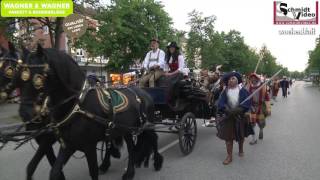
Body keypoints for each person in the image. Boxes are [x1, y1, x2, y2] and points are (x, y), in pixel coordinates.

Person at [216, 72, 252, 165]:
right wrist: (226, 109)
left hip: (240, 116)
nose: (230, 80)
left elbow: (247, 104)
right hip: (228, 117)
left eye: (233, 78)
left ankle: (241, 149)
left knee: (241, 136)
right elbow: (221, 103)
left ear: (237, 80)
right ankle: (229, 156)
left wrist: (238, 110)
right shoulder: (225, 92)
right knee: (228, 139)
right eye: (229, 79)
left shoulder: (243, 91)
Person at [246, 73, 271, 145]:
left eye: (254, 79)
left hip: (260, 108)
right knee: (252, 124)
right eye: (251, 79)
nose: (253, 80)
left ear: (257, 79)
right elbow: (246, 97)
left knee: (261, 123)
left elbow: (267, 98)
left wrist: (268, 108)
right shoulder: (249, 87)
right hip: (252, 108)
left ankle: (261, 129)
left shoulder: (262, 87)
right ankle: (254, 139)